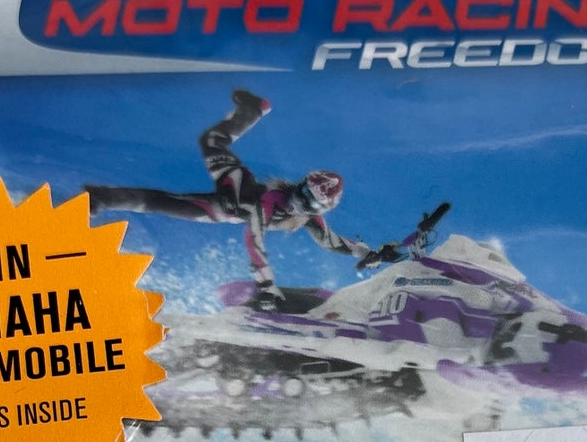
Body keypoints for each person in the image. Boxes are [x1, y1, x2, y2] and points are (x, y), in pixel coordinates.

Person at [88, 90, 398, 311]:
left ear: (320, 209)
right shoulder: (272, 200)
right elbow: (254, 239)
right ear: (301, 184)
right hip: (234, 187)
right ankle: (253, 109)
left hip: (224, 209)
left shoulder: (306, 216)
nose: (300, 202)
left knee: (162, 201)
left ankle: (101, 196)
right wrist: (267, 287)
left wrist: (368, 252)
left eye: (310, 203)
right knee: (208, 145)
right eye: (303, 191)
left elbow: (332, 242)